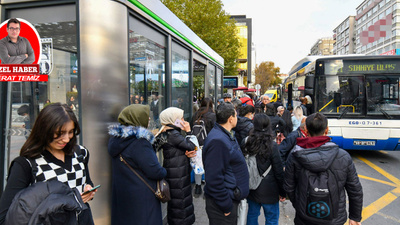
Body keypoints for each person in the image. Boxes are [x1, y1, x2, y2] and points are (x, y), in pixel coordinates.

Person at [0, 103, 96, 224]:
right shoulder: (26, 164)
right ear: (44, 130)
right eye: (60, 133)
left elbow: (86, 181)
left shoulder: (81, 153)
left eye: (71, 132)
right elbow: (5, 217)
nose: (66, 139)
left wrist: (88, 191)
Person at [284, 113, 363, 225]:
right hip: (334, 218)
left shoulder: (295, 156)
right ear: (327, 130)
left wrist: (300, 204)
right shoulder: (343, 156)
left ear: (305, 130)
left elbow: (289, 186)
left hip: (304, 217)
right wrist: (355, 216)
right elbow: (355, 189)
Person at [108, 104, 167, 225]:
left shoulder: (116, 138)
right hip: (142, 198)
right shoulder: (139, 142)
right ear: (137, 118)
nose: (149, 119)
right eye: (145, 116)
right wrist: (164, 171)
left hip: (123, 195)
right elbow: (155, 171)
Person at [202, 103, 249, 225]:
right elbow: (213, 178)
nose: (237, 118)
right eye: (236, 115)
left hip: (227, 200)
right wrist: (226, 205)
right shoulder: (218, 141)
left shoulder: (223, 135)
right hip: (222, 206)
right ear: (231, 118)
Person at [154, 107, 196, 225]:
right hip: (178, 176)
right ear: (173, 120)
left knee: (176, 206)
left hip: (175, 174)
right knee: (181, 205)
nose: (183, 120)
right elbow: (192, 146)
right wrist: (188, 131)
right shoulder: (174, 135)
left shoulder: (166, 133)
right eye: (181, 118)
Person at [243, 114, 286, 225]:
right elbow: (278, 170)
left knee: (252, 215)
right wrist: (282, 191)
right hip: (270, 190)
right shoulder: (272, 145)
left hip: (252, 186)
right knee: (271, 218)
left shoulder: (247, 142)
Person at [190, 97, 216, 196]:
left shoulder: (196, 114)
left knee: (198, 165)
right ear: (211, 104)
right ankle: (207, 188)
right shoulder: (213, 115)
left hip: (197, 144)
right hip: (208, 144)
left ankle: (197, 187)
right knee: (208, 166)